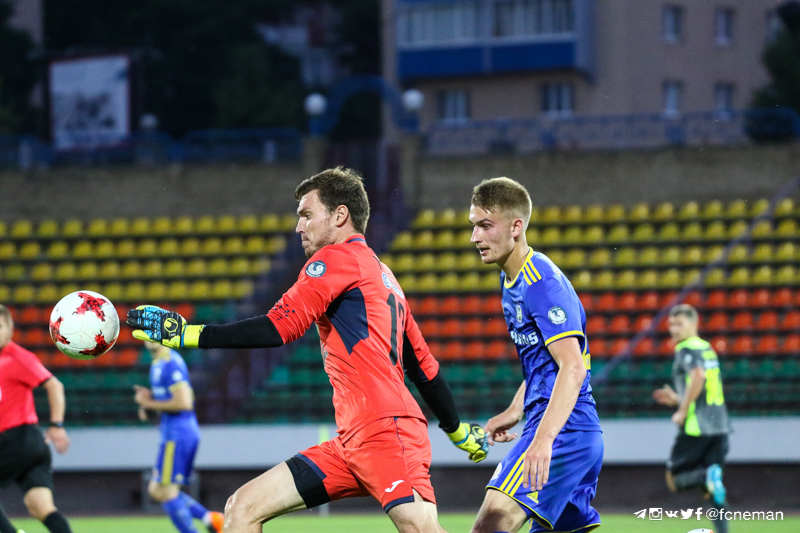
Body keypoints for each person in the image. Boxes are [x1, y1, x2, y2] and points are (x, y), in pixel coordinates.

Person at [126, 167, 488, 533]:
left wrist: (187, 334)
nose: (299, 227)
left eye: (306, 215)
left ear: (340, 215)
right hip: (352, 442)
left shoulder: (336, 259)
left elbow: (278, 327)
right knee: (242, 508)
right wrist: (457, 431)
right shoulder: (385, 277)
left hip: (385, 432)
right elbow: (424, 368)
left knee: (421, 528)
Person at [467, 177, 603, 533]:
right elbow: (543, 364)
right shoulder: (510, 280)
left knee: (491, 525)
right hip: (571, 430)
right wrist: (515, 411)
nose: (475, 237)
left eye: (485, 226)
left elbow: (572, 367)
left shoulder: (541, 282)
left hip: (563, 430)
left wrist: (543, 441)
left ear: (516, 227)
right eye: (474, 226)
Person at [653, 303, 731, 533]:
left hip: (697, 427)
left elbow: (698, 376)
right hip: (720, 426)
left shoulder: (685, 348)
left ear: (694, 323)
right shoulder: (706, 348)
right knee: (713, 488)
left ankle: (706, 475)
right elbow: (707, 389)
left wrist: (682, 410)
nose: (674, 329)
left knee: (675, 479)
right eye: (671, 324)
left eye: (680, 324)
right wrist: (678, 399)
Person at [134, 341, 224, 533]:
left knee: (164, 491)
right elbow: (169, 400)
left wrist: (149, 404)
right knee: (157, 490)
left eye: (154, 332)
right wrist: (151, 402)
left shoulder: (171, 362)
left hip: (178, 434)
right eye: (146, 333)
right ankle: (210, 519)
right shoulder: (158, 363)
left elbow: (184, 402)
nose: (150, 338)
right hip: (174, 434)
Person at [0, 304, 73, 533]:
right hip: (30, 447)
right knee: (40, 506)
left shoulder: (17, 357)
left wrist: (57, 424)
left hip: (17, 439)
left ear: (11, 328)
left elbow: (54, 385)